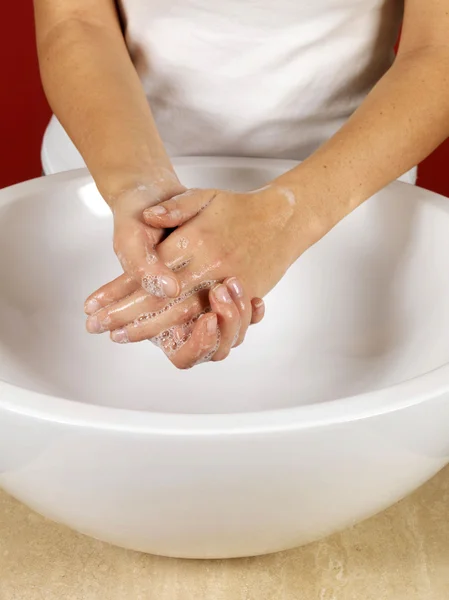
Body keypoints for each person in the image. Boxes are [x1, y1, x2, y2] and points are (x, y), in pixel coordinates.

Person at [35, 0, 449, 369]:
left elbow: (438, 51)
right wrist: (139, 191)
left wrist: (285, 219)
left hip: (348, 205)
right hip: (106, 194)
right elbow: (75, 19)